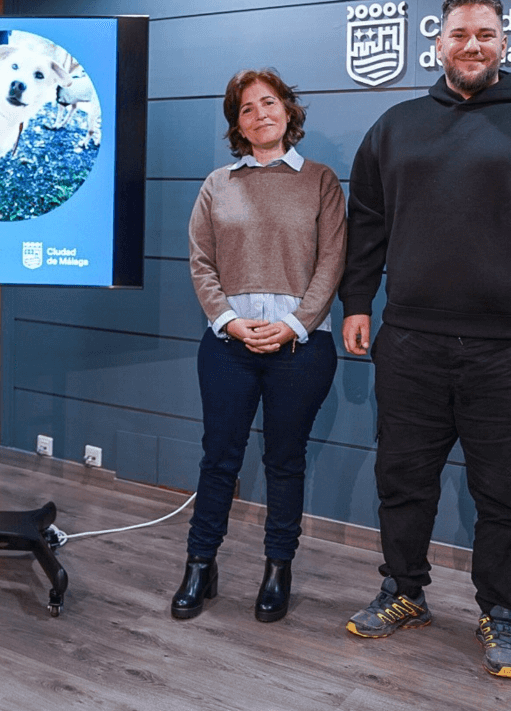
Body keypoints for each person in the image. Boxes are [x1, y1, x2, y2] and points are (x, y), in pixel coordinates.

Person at [338, 0, 511, 678]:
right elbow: (367, 222)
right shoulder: (396, 126)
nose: (472, 45)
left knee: (507, 493)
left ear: (503, 43)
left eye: (485, 34)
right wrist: (358, 302)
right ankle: (405, 592)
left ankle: (501, 612)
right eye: (460, 33)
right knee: (403, 479)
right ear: (438, 44)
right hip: (411, 342)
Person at [175, 68, 345, 623]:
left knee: (284, 461)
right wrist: (227, 320)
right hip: (229, 345)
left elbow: (332, 262)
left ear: (288, 111)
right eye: (246, 109)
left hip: (302, 347)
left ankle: (278, 568)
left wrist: (296, 323)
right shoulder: (217, 183)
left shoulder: (320, 181)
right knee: (219, 458)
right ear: (238, 126)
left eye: (268, 103)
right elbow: (201, 262)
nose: (260, 114)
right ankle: (200, 564)